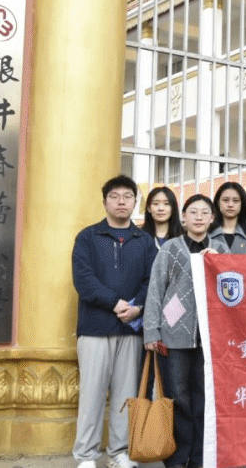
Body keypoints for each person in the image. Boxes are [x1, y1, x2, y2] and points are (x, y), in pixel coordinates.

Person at [71, 175, 159, 468]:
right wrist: (115, 302)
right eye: (115, 196)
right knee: (92, 395)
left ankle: (119, 452)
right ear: (105, 201)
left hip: (131, 329)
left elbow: (153, 280)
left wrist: (138, 307)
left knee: (125, 395)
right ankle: (86, 455)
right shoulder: (88, 237)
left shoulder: (144, 241)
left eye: (127, 197)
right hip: (95, 329)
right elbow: (83, 279)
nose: (121, 202)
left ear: (135, 203)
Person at [143, 194, 234, 468]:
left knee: (204, 399)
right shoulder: (171, 248)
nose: (198, 217)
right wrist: (151, 331)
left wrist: (220, 264)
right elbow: (156, 289)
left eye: (204, 212)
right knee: (178, 397)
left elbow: (234, 286)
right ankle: (177, 456)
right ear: (183, 217)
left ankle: (199, 457)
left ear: (212, 218)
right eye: (193, 212)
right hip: (174, 336)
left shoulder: (220, 249)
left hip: (209, 338)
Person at [211, 181, 246, 250]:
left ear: (242, 204)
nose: (230, 205)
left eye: (236, 200)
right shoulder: (206, 235)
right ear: (218, 202)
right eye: (225, 200)